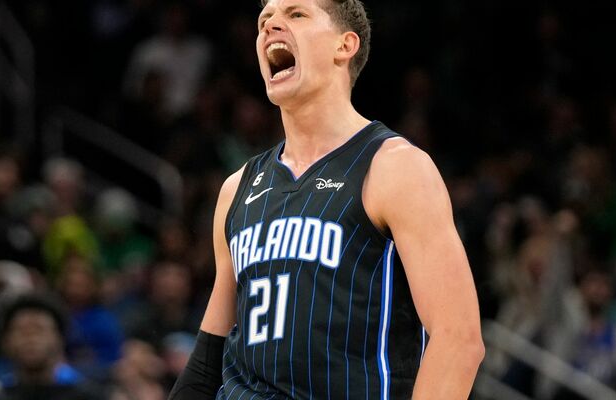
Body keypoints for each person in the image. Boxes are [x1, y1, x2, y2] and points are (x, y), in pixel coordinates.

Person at [169, 0, 484, 399]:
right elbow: (207, 361)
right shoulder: (238, 188)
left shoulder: (395, 169)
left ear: (345, 45)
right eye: (265, 19)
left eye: (296, 14)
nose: (271, 27)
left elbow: (458, 341)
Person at [0, 294, 107, 400]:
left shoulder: (90, 396)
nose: (30, 338)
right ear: (6, 341)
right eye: (21, 331)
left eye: (39, 329)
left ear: (60, 338)